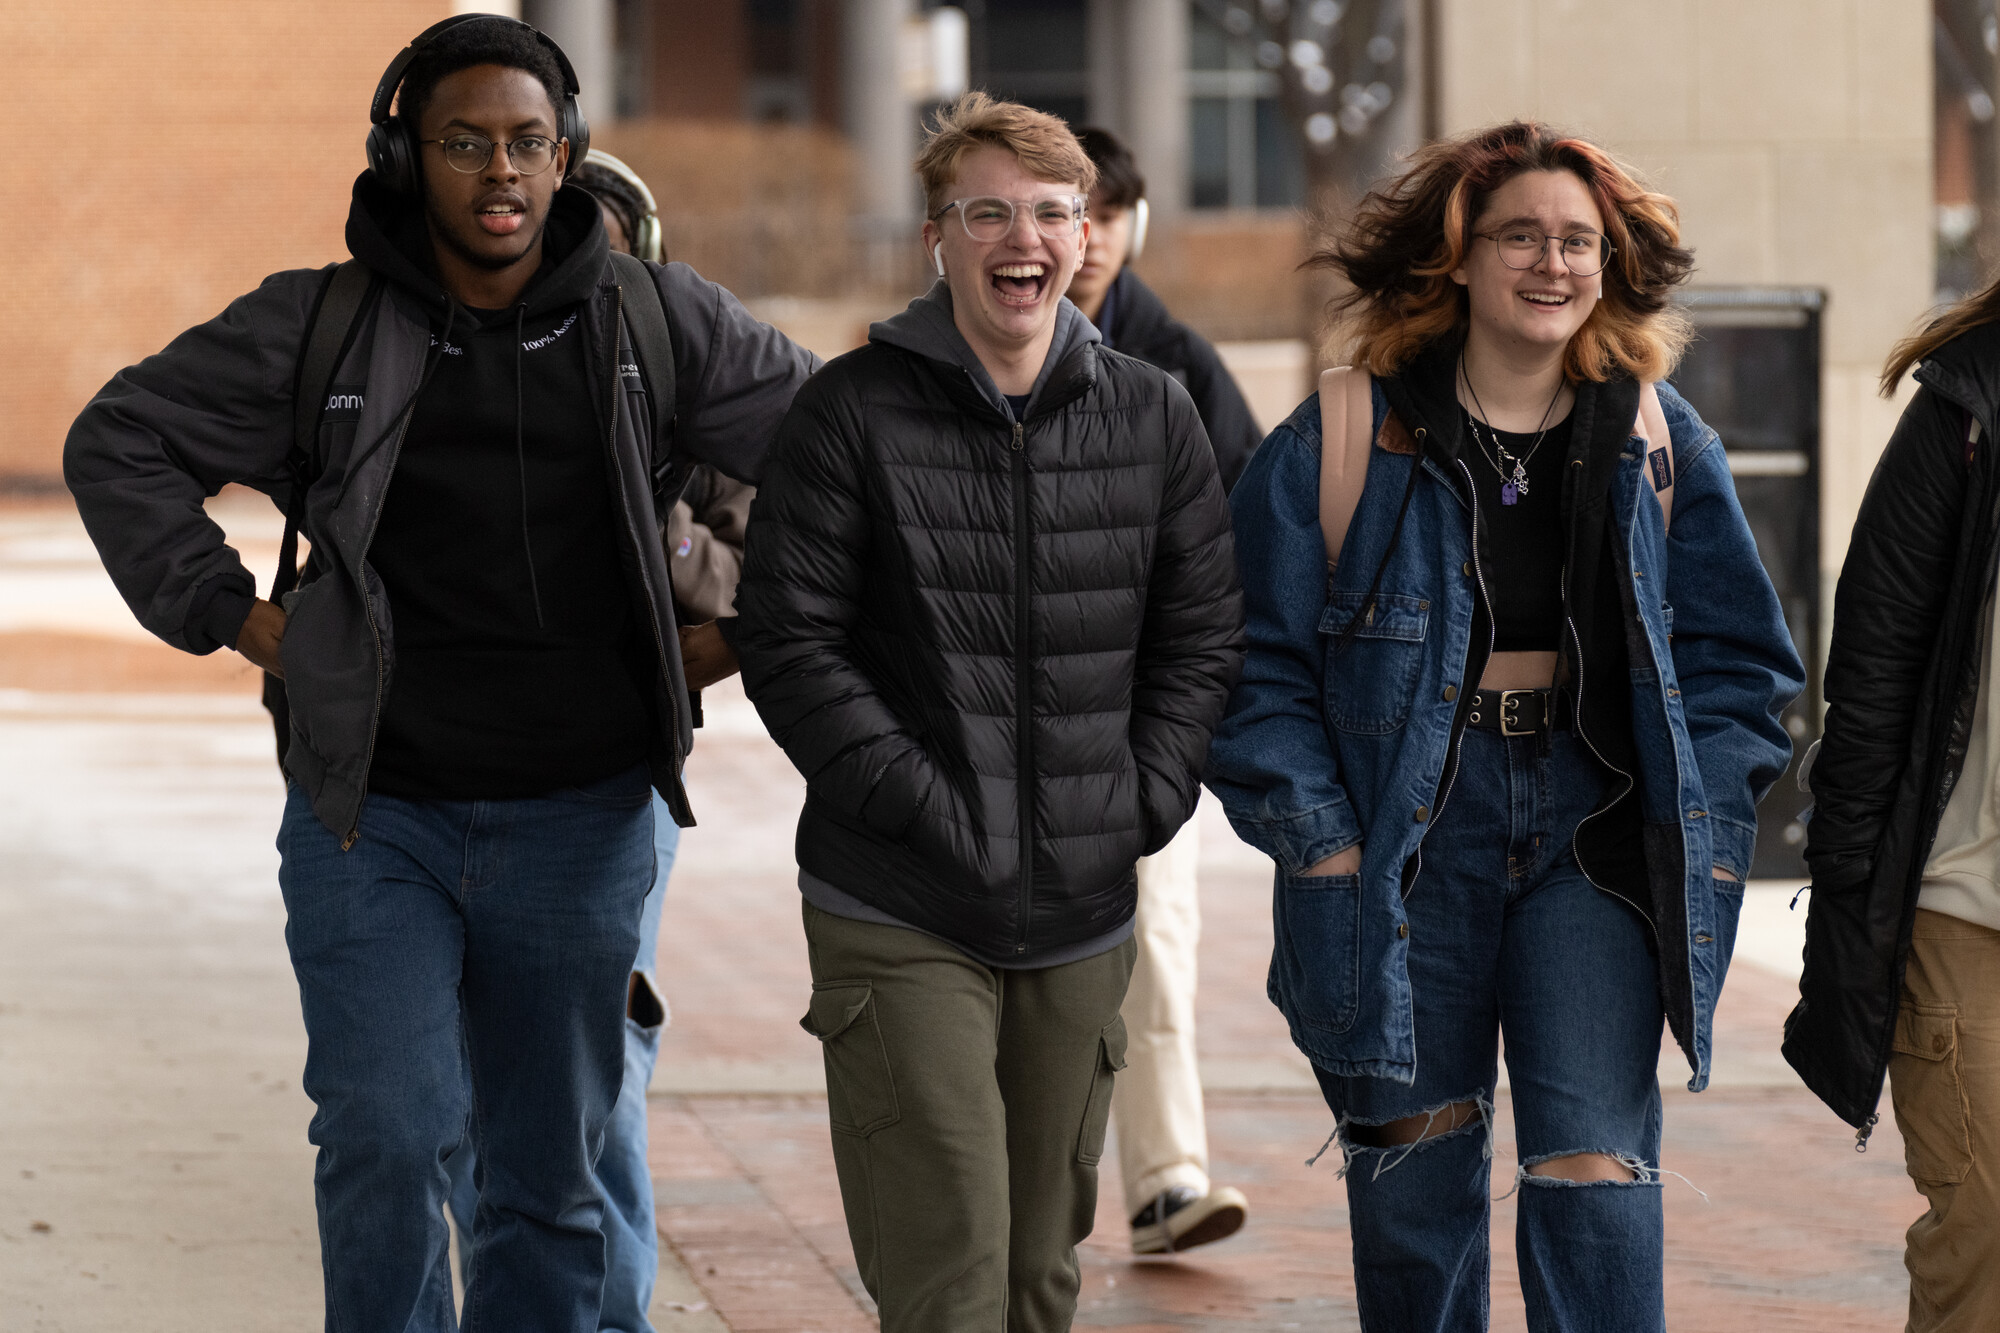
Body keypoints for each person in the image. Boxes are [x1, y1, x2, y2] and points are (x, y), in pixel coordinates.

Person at [63, 16, 816, 1330]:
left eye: (528, 141)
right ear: (406, 158)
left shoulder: (656, 319)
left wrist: (749, 631)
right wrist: (236, 615)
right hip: (377, 818)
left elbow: (844, 456)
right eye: (464, 143)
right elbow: (121, 437)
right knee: (391, 1136)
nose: (501, 171)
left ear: (569, 158)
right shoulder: (323, 323)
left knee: (548, 1180)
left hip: (586, 818)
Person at [1204, 121, 1804, 1331]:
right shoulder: (1340, 436)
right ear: (1458, 261)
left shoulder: (1655, 437)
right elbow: (1248, 670)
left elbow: (1741, 663)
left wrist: (1708, 812)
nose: (1551, 262)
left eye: (1576, 240)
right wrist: (1323, 840)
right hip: (1404, 838)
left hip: (1593, 836)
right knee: (1413, 1183)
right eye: (1519, 235)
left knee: (1592, 1174)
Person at [731, 91, 1245, 1331]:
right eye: (988, 212)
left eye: (1052, 212)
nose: (1024, 237)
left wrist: (1140, 800)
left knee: (1035, 1275)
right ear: (936, 239)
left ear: (1087, 237)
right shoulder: (850, 411)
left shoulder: (1151, 413)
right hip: (898, 897)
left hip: (1080, 903)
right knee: (948, 1265)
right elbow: (787, 640)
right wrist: (916, 801)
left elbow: (1201, 635)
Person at [438, 146, 759, 1333]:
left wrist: (649, 518)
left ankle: (606, 1310)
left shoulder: (697, 397)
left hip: (622, 778)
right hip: (464, 770)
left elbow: (741, 573)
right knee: (480, 1073)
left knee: (599, 1064)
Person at [1786, 266, 2000, 1330]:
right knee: (1987, 1239)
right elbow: (1870, 676)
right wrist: (1848, 911)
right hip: (1968, 910)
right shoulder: (1967, 404)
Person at [1064, 124, 1257, 1254]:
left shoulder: (1177, 360)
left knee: (1156, 937)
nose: (1086, 237)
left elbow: (1244, 540)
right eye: (1065, 208)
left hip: (1141, 720)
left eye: (1107, 210)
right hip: (982, 722)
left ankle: (1165, 1180)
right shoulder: (952, 353)